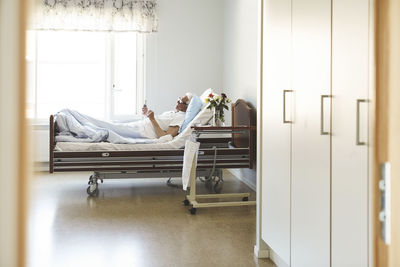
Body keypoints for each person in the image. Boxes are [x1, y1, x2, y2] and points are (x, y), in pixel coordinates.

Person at [56, 93, 193, 144]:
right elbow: (158, 123)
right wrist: (147, 115)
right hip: (140, 126)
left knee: (105, 127)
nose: (178, 101)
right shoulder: (174, 112)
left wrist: (152, 119)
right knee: (108, 124)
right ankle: (71, 118)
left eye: (182, 101)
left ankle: (71, 119)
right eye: (179, 98)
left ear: (187, 106)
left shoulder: (180, 118)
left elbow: (165, 137)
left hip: (142, 132)